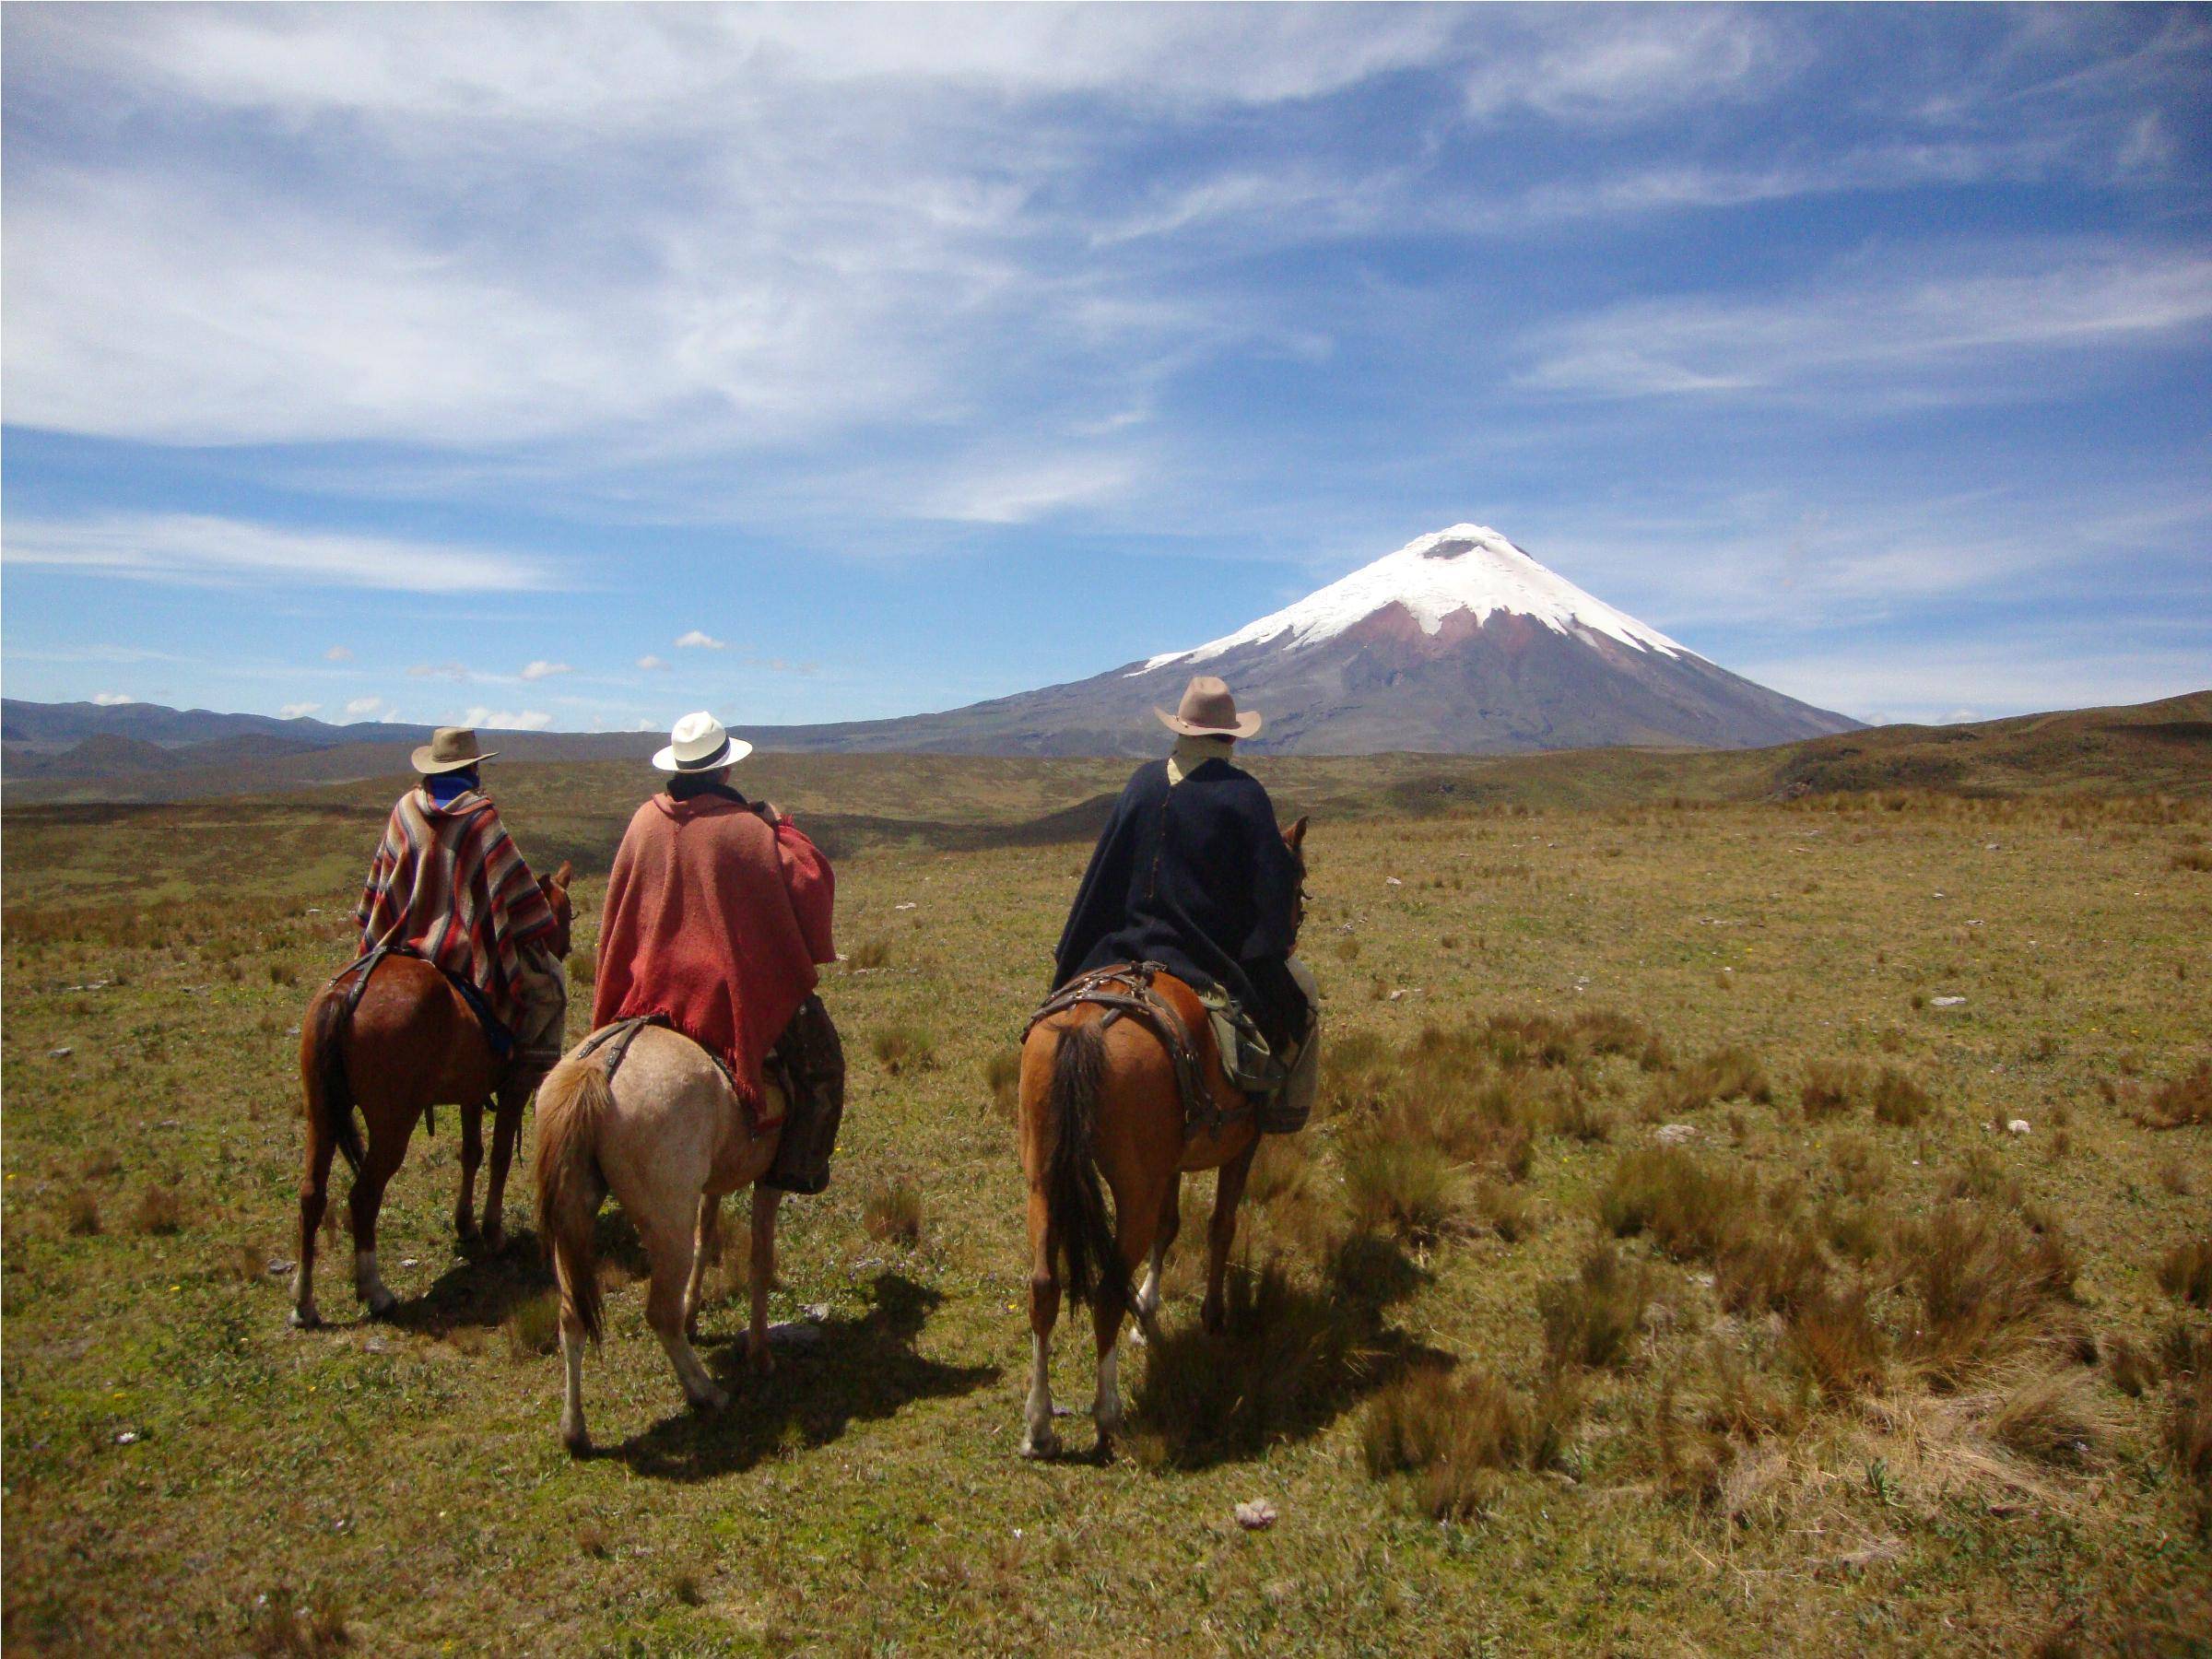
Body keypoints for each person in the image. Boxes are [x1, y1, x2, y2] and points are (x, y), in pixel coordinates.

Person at [1053, 676, 1318, 1124]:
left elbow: (1104, 876)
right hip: (1201, 959)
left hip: (1119, 948)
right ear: (1231, 735)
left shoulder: (1142, 784)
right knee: (1303, 991)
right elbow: (1271, 892)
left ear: (1180, 729)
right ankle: (1284, 1111)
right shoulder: (1244, 794)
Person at [592, 712, 839, 1180]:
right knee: (821, 1059)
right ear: (726, 770)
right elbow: (810, 883)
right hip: (716, 994)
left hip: (643, 991)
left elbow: (619, 915)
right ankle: (797, 1167)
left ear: (679, 769)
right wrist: (781, 827)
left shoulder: (644, 820)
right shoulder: (746, 830)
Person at [355, 726, 568, 1093]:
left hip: (399, 942)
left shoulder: (405, 810)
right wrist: (535, 918)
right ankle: (525, 1075)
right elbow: (515, 891)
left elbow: (384, 882)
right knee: (550, 987)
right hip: (465, 954)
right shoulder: (481, 816)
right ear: (472, 769)